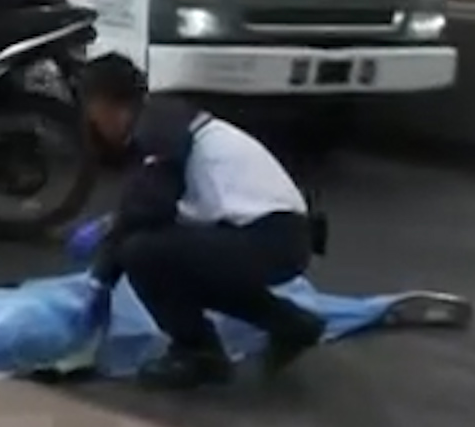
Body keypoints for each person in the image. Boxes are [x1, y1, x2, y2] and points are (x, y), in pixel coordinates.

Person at [74, 52, 325, 389]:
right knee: (181, 263)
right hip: (281, 236)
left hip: (271, 236)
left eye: (92, 112)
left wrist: (101, 276)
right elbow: (154, 203)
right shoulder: (168, 119)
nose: (93, 124)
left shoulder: (158, 127)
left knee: (144, 253)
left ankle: (199, 354)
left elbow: (150, 208)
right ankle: (293, 324)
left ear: (105, 104)